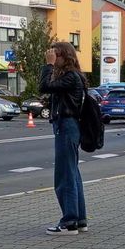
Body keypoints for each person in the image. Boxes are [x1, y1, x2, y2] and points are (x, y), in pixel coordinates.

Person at [40, 41, 87, 234]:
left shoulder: (70, 77)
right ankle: (80, 219)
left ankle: (69, 222)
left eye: (55, 55)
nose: (52, 57)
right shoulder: (74, 76)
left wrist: (48, 65)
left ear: (64, 57)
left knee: (64, 176)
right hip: (69, 126)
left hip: (66, 126)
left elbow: (44, 86)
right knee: (73, 174)